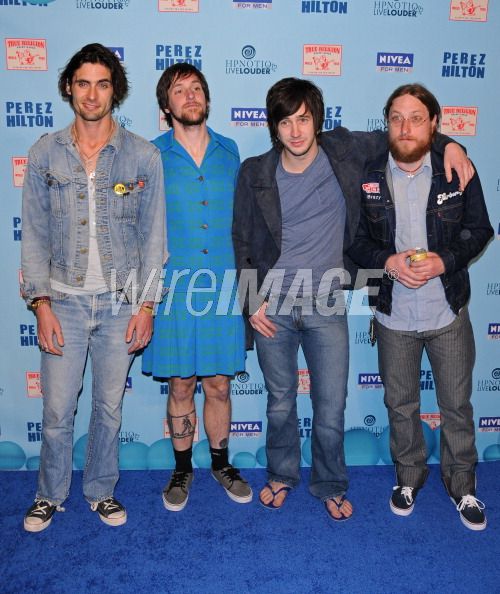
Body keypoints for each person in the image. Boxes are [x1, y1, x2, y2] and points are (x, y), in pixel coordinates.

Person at [232, 77, 472, 521]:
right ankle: (281, 474)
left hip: (327, 302)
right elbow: (242, 238)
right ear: (274, 127)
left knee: (330, 405)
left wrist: (451, 144)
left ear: (318, 120)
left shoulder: (344, 151)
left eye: (303, 119)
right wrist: (251, 301)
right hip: (274, 306)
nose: (296, 131)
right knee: (280, 401)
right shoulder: (255, 172)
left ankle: (330, 483)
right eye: (285, 122)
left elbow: (405, 134)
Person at [21, 43, 166, 532]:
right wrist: (41, 304)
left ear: (114, 91)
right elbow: (34, 235)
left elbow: (154, 238)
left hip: (121, 304)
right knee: (58, 409)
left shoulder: (143, 156)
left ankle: (101, 490)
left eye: (102, 84)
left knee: (109, 407)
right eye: (83, 83)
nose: (91, 94)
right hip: (62, 301)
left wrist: (147, 305)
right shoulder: (44, 154)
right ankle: (49, 494)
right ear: (69, 87)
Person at [348, 83, 492, 530]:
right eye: (396, 118)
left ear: (434, 124)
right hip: (393, 314)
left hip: (447, 311)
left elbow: (480, 230)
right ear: (386, 124)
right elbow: (355, 241)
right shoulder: (368, 173)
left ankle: (462, 485)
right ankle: (408, 477)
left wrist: (444, 261)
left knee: (456, 406)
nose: (405, 127)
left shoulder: (456, 170)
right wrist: (387, 261)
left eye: (416, 118)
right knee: (400, 404)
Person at [142, 63, 251, 511]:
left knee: (219, 384)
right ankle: (182, 468)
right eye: (179, 91)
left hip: (223, 285)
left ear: (207, 98)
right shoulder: (151, 155)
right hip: (174, 288)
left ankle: (221, 464)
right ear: (165, 106)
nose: (190, 96)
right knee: (182, 385)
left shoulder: (231, 152)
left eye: (196, 88)